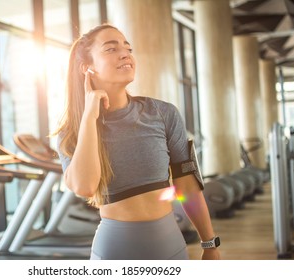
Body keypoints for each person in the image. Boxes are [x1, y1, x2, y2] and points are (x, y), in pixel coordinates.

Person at [53, 23, 221, 260]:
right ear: (87, 67)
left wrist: (209, 243)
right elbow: (84, 186)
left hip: (171, 247)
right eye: (111, 49)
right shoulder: (71, 132)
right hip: (115, 251)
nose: (125, 54)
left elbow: (187, 186)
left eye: (128, 48)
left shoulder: (163, 113)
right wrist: (90, 117)